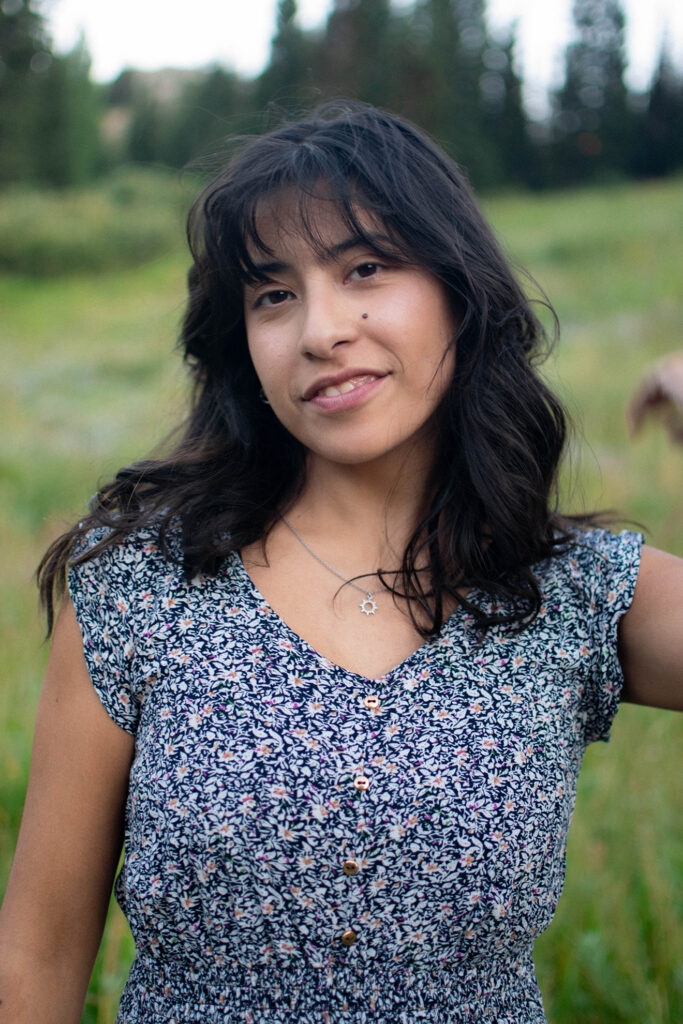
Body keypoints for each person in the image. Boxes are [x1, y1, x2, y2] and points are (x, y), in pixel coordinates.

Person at [0, 102, 681, 1024]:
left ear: (457, 288)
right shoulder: (140, 584)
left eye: (365, 268)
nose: (321, 329)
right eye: (273, 294)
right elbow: (35, 956)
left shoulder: (572, 591)